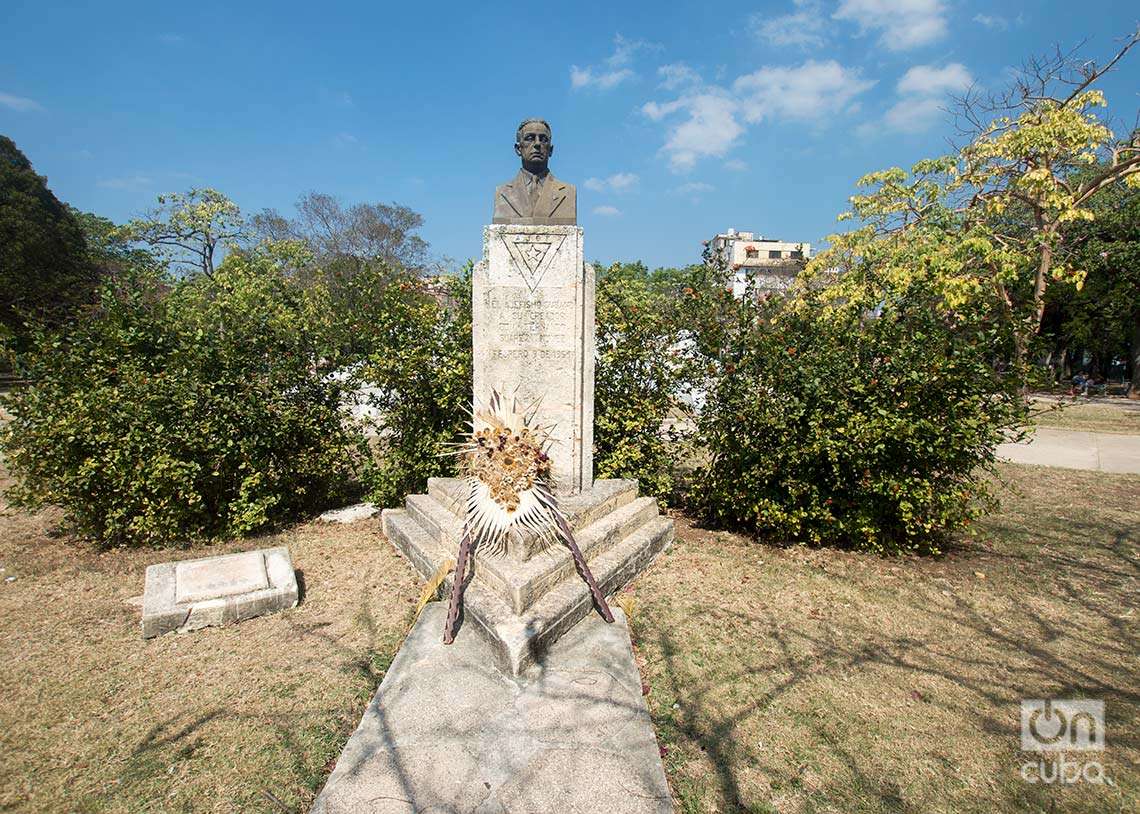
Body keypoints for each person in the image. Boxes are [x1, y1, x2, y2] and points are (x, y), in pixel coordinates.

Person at [492, 118, 577, 226]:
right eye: (530, 138)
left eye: (543, 139)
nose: (537, 144)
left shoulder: (567, 192)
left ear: (550, 150)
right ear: (518, 149)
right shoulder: (502, 192)